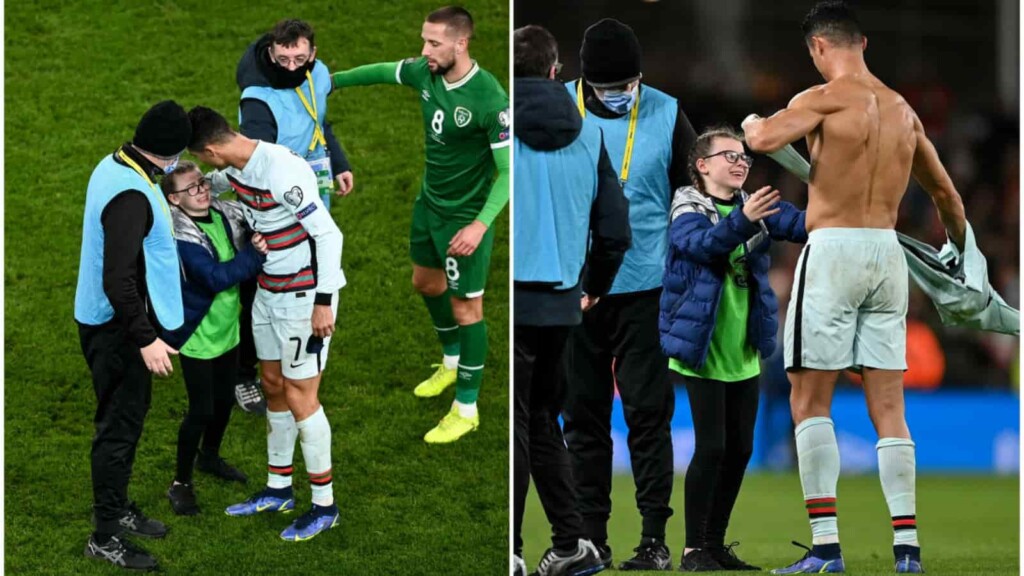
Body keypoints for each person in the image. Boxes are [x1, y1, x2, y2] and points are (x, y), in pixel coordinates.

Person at [740, 2, 966, 573]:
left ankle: (825, 549)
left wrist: (749, 127)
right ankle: (908, 551)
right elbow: (948, 200)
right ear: (862, 42)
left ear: (818, 47)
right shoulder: (904, 112)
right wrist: (964, 259)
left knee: (807, 400)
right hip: (886, 254)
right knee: (890, 406)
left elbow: (765, 140)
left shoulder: (820, 98)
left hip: (834, 249)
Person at [330, 6, 509, 443]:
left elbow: (508, 172)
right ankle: (451, 362)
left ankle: (466, 408)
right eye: (424, 41)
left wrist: (480, 226)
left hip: (464, 220)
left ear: (461, 43)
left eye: (434, 43)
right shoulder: (426, 73)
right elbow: (382, 71)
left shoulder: (489, 99)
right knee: (426, 283)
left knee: (468, 309)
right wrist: (329, 82)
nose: (424, 51)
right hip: (428, 205)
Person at [560, 17, 697, 570]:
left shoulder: (666, 113)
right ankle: (591, 539)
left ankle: (653, 540)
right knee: (583, 419)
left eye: (626, 85)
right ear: (584, 79)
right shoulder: (554, 112)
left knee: (647, 416)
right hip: (572, 290)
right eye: (606, 88)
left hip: (646, 289)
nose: (618, 96)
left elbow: (694, 193)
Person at [186, 106, 346, 541]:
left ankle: (324, 505)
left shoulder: (280, 171)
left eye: (203, 160)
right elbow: (206, 186)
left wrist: (323, 302)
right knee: (272, 384)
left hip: (303, 298)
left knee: (301, 395)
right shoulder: (235, 168)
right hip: (269, 292)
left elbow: (330, 235)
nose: (206, 169)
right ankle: (279, 488)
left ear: (213, 149)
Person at [512, 24, 632, 576]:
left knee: (516, 423)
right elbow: (615, 232)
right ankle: (570, 545)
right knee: (542, 422)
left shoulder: (498, 128)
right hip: (562, 302)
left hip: (511, 297)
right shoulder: (590, 136)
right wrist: (592, 287)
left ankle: (509, 549)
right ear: (557, 71)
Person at [660, 127, 806, 572]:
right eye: (729, 155)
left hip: (744, 347)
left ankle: (715, 544)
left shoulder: (752, 205)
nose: (741, 162)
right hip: (704, 345)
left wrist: (839, 197)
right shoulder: (688, 205)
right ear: (702, 165)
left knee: (741, 448)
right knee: (712, 447)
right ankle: (692, 550)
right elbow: (702, 245)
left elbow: (802, 224)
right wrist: (745, 220)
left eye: (743, 156)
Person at [75, 100, 190, 570]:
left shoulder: (117, 161)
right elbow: (118, 279)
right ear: (170, 153)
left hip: (109, 322)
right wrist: (145, 338)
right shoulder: (132, 197)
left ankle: (118, 509)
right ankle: (104, 536)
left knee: (127, 420)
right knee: (118, 431)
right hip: (117, 330)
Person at [233, 18, 354, 414]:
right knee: (259, 287)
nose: (290, 67)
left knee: (314, 262)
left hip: (309, 190)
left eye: (298, 58)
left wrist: (337, 160)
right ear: (270, 51)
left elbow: (318, 119)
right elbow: (256, 165)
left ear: (313, 54)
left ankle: (303, 356)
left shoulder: (316, 74)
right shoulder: (256, 100)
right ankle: (244, 372)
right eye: (282, 58)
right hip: (273, 206)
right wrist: (265, 221)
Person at [160, 162, 267, 515]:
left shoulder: (220, 211)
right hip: (198, 338)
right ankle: (180, 483)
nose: (203, 190)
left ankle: (209, 458)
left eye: (203, 183)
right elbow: (216, 278)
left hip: (228, 331)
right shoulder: (182, 237)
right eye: (192, 188)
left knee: (223, 404)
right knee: (201, 410)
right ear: (174, 199)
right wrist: (255, 254)